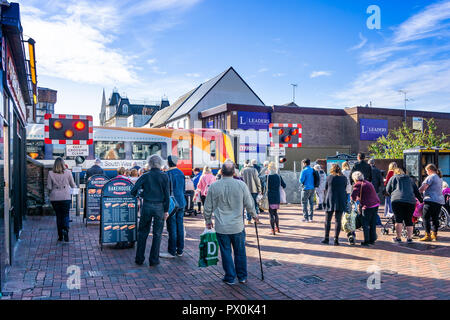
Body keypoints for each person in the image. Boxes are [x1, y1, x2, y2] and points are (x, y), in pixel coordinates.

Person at [203, 161, 259, 285]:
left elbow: (207, 207)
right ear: (234, 172)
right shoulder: (241, 185)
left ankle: (230, 276)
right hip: (237, 226)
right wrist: (254, 215)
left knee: (226, 252)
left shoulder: (214, 186)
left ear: (221, 172)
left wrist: (207, 220)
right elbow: (249, 203)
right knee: (240, 252)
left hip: (222, 227)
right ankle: (242, 276)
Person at [131, 155, 170, 266]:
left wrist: (142, 194)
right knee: (157, 234)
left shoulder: (145, 175)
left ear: (149, 163)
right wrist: (166, 210)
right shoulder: (164, 176)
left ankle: (139, 258)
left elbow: (133, 191)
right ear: (160, 163)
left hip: (147, 206)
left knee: (143, 232)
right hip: (160, 207)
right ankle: (154, 260)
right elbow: (167, 195)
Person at [386, 167, 422, 243]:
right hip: (410, 201)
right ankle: (409, 238)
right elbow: (416, 191)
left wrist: (392, 194)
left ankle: (398, 238)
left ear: (395, 172)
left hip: (397, 200)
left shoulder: (393, 178)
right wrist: (421, 200)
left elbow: (388, 190)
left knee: (398, 219)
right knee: (409, 219)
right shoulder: (410, 179)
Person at [161, 155, 186, 258]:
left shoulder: (166, 174)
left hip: (171, 203)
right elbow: (183, 189)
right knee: (180, 226)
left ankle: (171, 251)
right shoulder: (181, 173)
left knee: (172, 227)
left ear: (168, 162)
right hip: (181, 202)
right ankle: (180, 250)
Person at [47, 157, 76, 242]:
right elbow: (73, 184)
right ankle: (66, 230)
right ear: (63, 164)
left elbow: (49, 186)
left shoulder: (50, 173)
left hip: (55, 197)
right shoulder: (68, 172)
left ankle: (60, 236)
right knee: (66, 215)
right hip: (65, 196)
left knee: (58, 216)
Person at [351, 171, 380, 246]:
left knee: (365, 223)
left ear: (355, 178)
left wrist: (354, 199)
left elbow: (353, 196)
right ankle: (372, 239)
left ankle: (366, 241)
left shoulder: (358, 184)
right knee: (372, 223)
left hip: (367, 206)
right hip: (375, 204)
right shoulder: (368, 183)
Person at [322, 164, 348, 245]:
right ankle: (336, 239)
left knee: (327, 220)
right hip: (340, 199)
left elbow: (326, 189)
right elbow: (344, 187)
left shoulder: (329, 177)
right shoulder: (344, 178)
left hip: (330, 199)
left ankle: (326, 238)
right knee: (338, 220)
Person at [419, 164, 445, 242]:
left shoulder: (431, 177)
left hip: (430, 200)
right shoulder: (439, 177)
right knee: (435, 218)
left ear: (429, 170)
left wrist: (418, 191)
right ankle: (434, 234)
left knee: (425, 217)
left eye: (426, 171)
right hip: (439, 201)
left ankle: (427, 235)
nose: (426, 173)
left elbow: (423, 188)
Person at [266, 162, 286, 235]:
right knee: (275, 213)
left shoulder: (267, 177)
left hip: (270, 196)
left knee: (271, 214)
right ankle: (278, 228)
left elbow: (263, 186)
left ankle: (272, 230)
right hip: (277, 196)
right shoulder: (278, 176)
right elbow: (284, 185)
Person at [240, 160, 262, 224]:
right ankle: (256, 219)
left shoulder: (242, 170)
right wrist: (259, 189)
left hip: (245, 190)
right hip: (254, 190)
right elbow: (257, 180)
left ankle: (248, 219)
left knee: (247, 205)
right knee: (254, 205)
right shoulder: (254, 170)